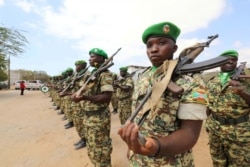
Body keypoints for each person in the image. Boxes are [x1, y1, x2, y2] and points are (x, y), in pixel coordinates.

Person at [118, 21, 208, 166]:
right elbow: (138, 114)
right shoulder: (143, 77)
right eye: (149, 45)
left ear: (175, 48)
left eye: (161, 43)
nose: (153, 49)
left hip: (171, 161)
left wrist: (156, 146)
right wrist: (132, 148)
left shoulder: (191, 80)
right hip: (139, 159)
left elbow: (189, 133)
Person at [205, 50, 250, 167]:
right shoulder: (212, 81)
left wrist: (242, 92)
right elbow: (209, 104)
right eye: (226, 59)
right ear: (219, 62)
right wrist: (208, 123)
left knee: (240, 163)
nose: (230, 61)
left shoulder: (247, 79)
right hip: (215, 129)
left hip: (239, 132)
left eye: (233, 59)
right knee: (218, 161)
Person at [71, 48, 113, 167]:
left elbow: (107, 97)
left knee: (100, 149)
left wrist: (84, 98)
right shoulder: (93, 73)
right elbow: (83, 88)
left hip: (99, 117)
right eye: (89, 56)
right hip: (88, 116)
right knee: (92, 147)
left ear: (100, 58)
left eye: (93, 56)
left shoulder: (105, 74)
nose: (89, 59)